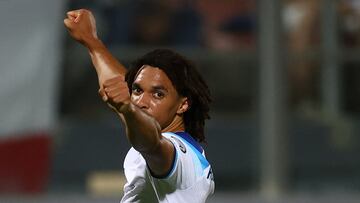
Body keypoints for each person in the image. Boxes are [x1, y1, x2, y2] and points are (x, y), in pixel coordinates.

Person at [63, 9, 215, 203]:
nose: (142, 102)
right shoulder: (194, 152)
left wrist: (128, 108)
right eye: (137, 90)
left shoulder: (177, 154)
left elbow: (152, 144)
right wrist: (92, 42)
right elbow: (120, 86)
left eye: (158, 94)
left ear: (183, 105)